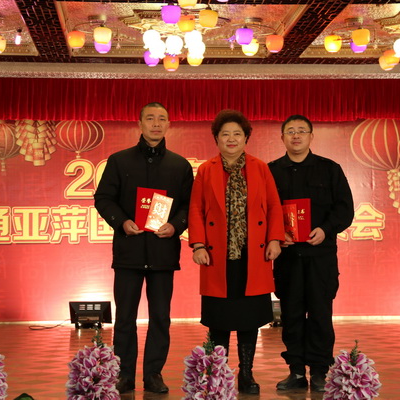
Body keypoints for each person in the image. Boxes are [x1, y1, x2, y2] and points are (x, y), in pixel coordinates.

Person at [94, 102, 194, 394]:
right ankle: (124, 374)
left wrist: (175, 225)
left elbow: (190, 205)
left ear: (169, 125)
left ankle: (153, 374)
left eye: (162, 119)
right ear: (139, 123)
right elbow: (103, 198)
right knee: (125, 317)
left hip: (163, 252)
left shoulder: (179, 165)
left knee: (161, 317)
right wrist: (122, 222)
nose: (156, 124)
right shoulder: (119, 161)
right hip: (130, 251)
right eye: (150, 118)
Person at [188, 109, 285, 395]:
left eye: (237, 134)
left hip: (253, 255)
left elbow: (274, 206)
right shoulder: (206, 170)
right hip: (217, 256)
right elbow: (196, 209)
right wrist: (198, 244)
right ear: (216, 139)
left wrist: (274, 239)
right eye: (225, 134)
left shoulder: (260, 167)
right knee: (218, 320)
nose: (231, 139)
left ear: (246, 138)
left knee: (249, 320)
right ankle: (218, 374)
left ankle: (246, 373)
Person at [268, 115, 354, 393]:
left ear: (311, 136)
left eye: (301, 131)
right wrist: (276, 234)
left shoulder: (329, 169)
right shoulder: (271, 172)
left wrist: (325, 229)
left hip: (320, 257)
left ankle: (319, 371)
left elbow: (345, 209)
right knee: (291, 315)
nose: (296, 136)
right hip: (288, 257)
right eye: (290, 131)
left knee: (320, 314)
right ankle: (295, 371)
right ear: (282, 137)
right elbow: (262, 210)